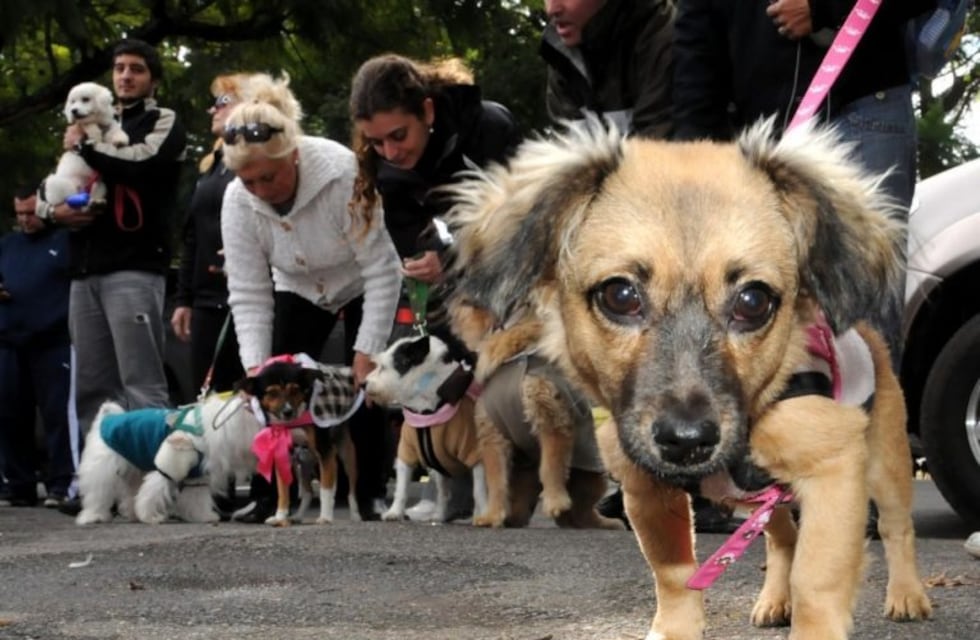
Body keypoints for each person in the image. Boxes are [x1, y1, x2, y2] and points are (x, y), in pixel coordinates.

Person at [220, 73, 402, 522]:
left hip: (361, 279)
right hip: (297, 287)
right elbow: (248, 291)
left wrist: (367, 349)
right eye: (249, 180)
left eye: (270, 176)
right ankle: (269, 496)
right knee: (272, 384)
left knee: (366, 389)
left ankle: (369, 493)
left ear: (294, 156)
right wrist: (254, 367)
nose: (261, 190)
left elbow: (382, 268)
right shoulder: (236, 201)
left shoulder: (343, 173)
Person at [349, 53, 521, 520]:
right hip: (454, 289)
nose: (390, 151)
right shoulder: (388, 171)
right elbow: (411, 241)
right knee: (444, 365)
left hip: (519, 274)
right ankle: (452, 484)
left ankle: (538, 474)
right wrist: (428, 262)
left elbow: (519, 220)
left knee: (515, 381)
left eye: (398, 136)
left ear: (426, 111)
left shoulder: (490, 128)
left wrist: (451, 255)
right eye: (376, 142)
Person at [37, 39, 187, 514]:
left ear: (153, 79)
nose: (125, 76)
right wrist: (54, 210)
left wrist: (88, 147)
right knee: (94, 390)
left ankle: (158, 486)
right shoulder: (86, 123)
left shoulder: (160, 120)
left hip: (135, 267)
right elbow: (51, 192)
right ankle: (99, 491)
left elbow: (145, 164)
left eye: (137, 69)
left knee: (142, 382)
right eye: (119, 68)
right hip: (83, 271)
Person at [171, 74, 248, 396]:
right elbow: (193, 238)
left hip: (249, 301)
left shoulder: (261, 163)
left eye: (223, 102)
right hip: (206, 303)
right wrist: (183, 299)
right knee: (206, 401)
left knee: (250, 403)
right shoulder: (211, 167)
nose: (212, 110)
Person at [0, 184, 75, 508]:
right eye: (20, 215)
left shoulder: (64, 241)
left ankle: (61, 483)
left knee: (57, 415)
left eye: (31, 213)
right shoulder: (8, 244)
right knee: (10, 415)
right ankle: (19, 484)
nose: (26, 220)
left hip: (53, 341)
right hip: (10, 341)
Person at [540, 0, 675, 138]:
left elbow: (658, 147)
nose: (551, 9)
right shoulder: (559, 55)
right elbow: (565, 150)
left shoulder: (663, 38)